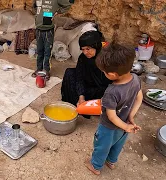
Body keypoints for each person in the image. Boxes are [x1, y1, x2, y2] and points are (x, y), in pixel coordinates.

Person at [85, 43, 143, 175]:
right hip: (125, 123)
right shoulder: (135, 78)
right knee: (118, 143)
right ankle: (111, 161)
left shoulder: (111, 92)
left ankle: (95, 166)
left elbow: (111, 116)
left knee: (102, 146)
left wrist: (125, 125)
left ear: (112, 74)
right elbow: (139, 97)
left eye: (104, 72)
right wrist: (130, 118)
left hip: (108, 127)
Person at [61, 31, 111, 113]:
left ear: (96, 46)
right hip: (87, 86)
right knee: (69, 73)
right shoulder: (83, 58)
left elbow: (113, 81)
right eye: (83, 49)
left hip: (102, 90)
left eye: (88, 49)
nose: (85, 52)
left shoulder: (106, 58)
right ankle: (79, 105)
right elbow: (79, 77)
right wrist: (81, 97)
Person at [32, 0, 73, 80]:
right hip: (38, 29)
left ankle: (46, 70)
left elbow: (67, 5)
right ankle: (39, 69)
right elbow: (34, 7)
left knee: (47, 52)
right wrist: (38, 16)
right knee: (39, 51)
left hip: (48, 30)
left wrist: (57, 12)